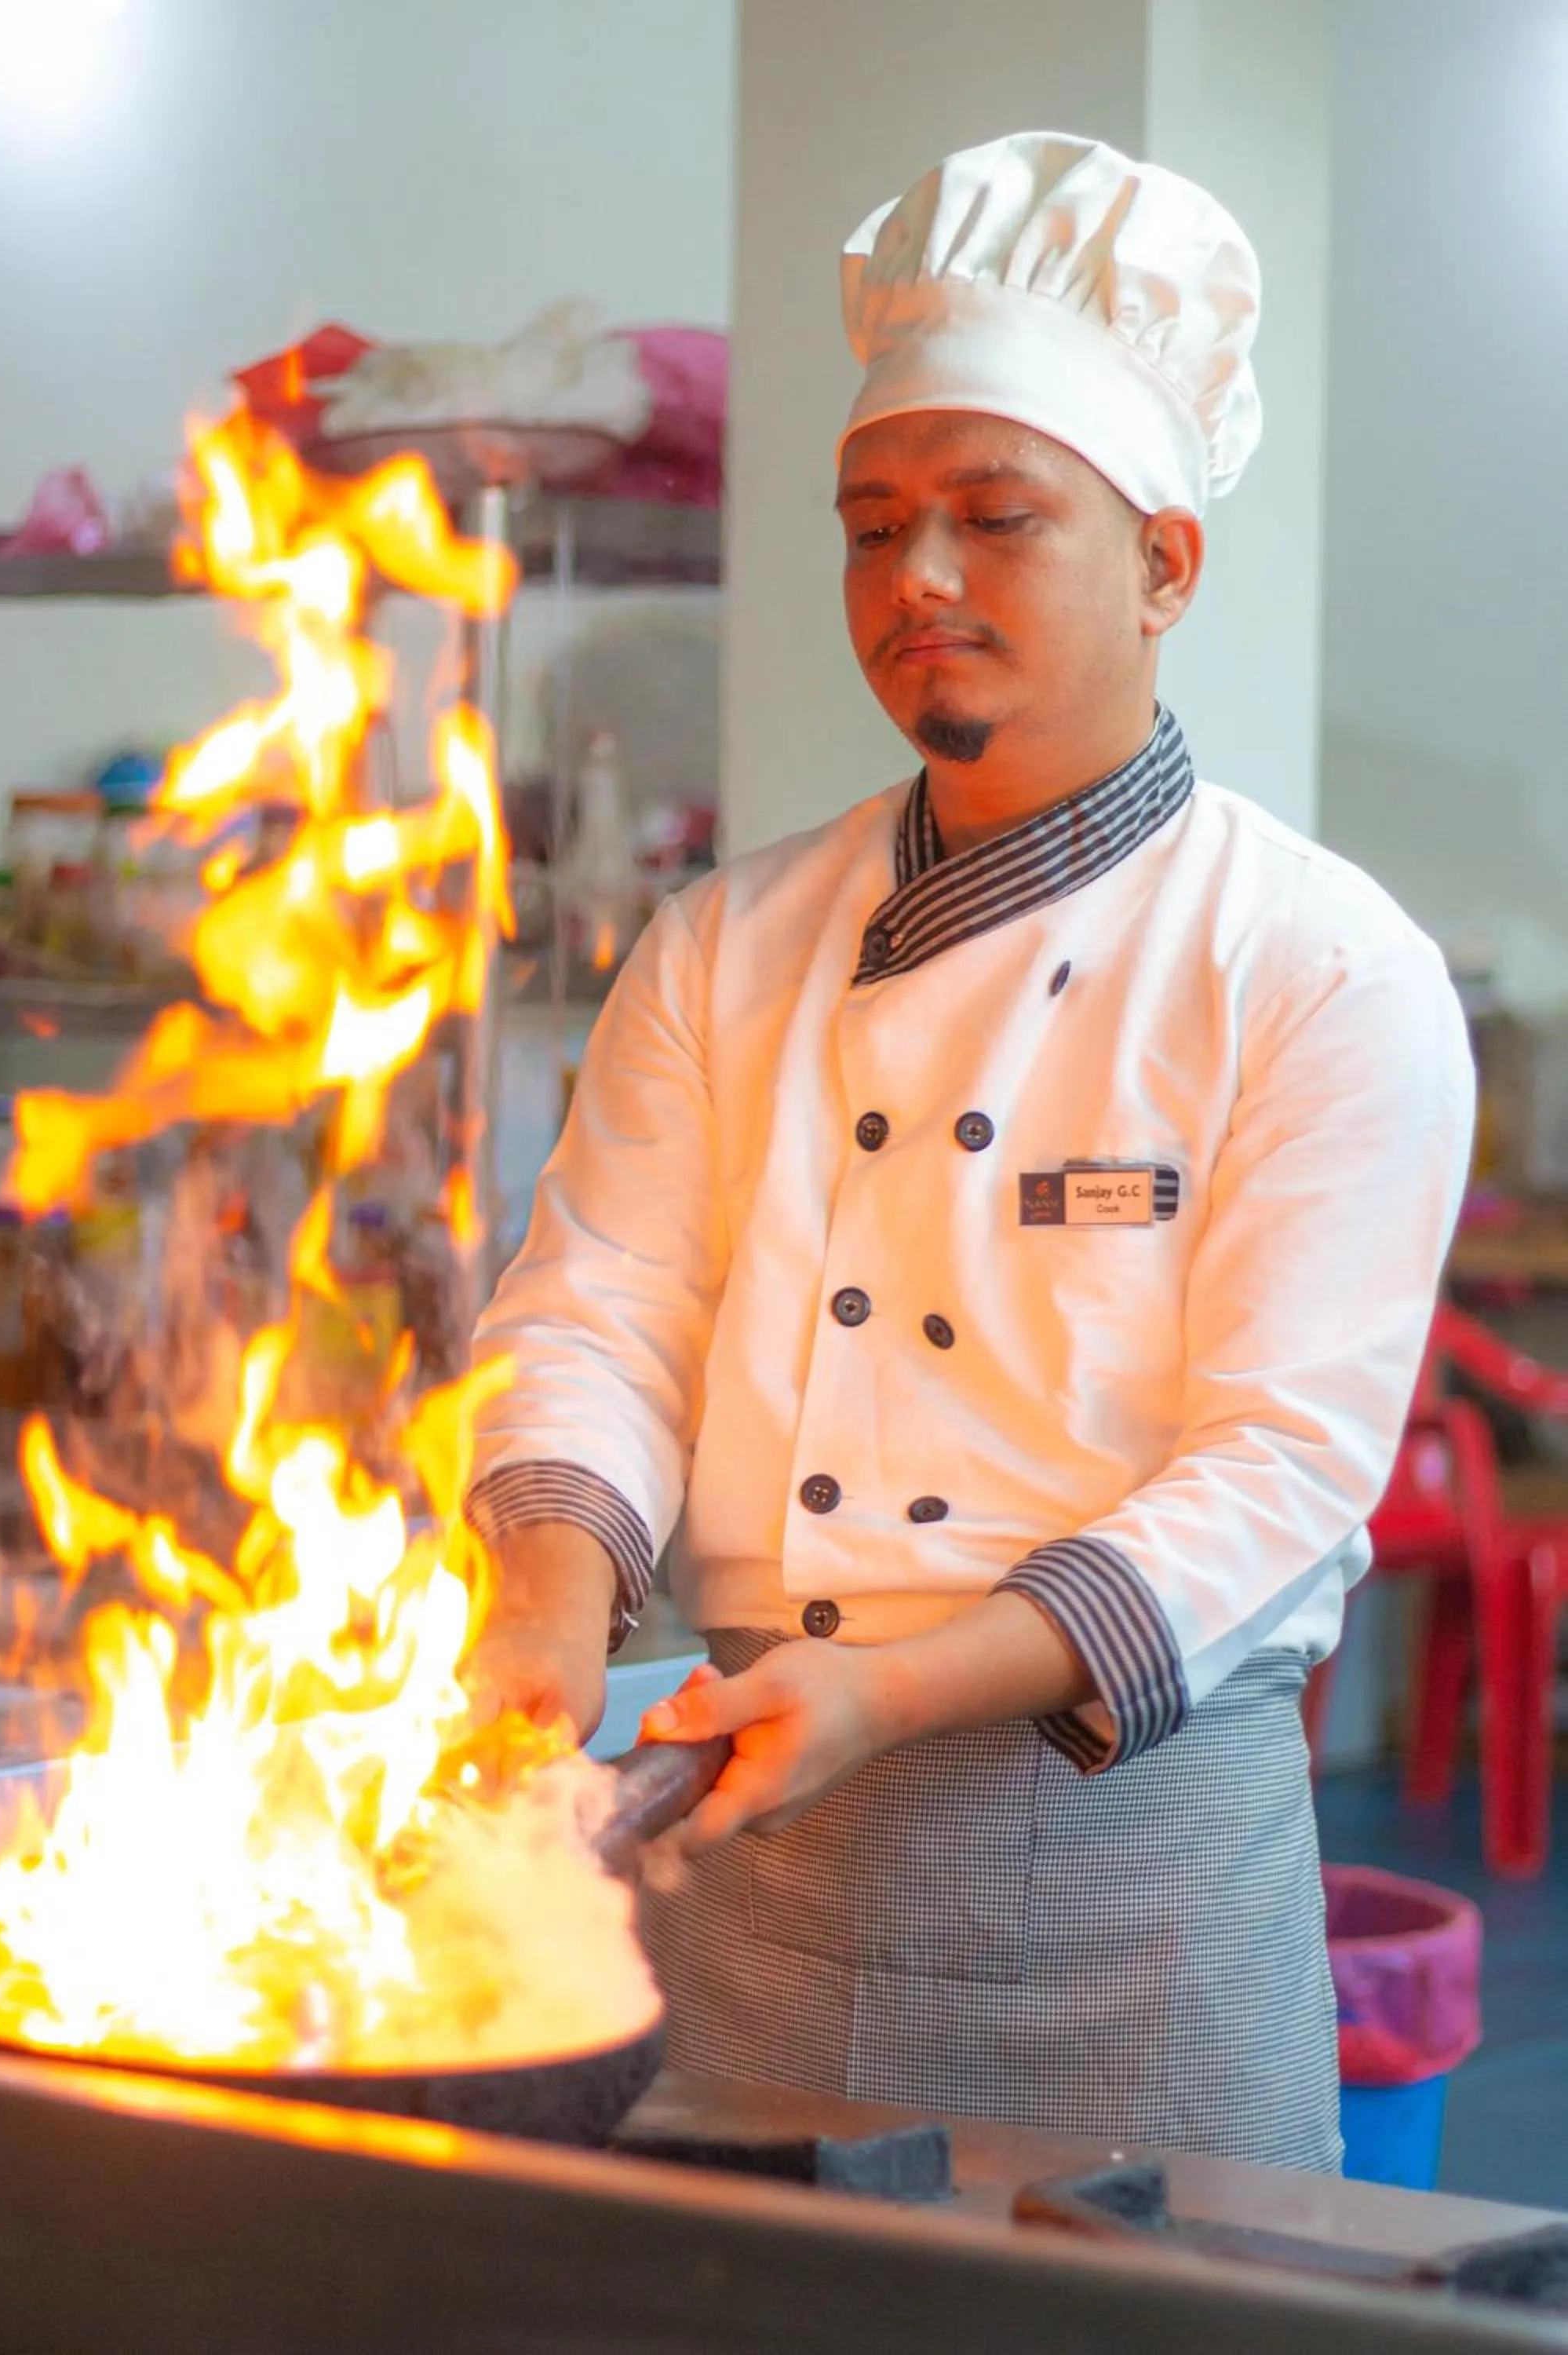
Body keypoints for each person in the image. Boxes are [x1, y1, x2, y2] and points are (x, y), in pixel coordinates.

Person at [464, 130, 1475, 2170]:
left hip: (1127, 1888)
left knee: (1124, 2310)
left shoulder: (1316, 965)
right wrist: (549, 1621)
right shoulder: (727, 941)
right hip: (738, 1851)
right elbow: (601, 1314)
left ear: (1167, 564)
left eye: (995, 518)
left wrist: (896, 1692)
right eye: (872, 526)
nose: (916, 577)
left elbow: (1278, 1473)